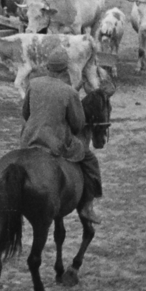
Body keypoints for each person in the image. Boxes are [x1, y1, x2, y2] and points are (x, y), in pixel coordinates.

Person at [18, 47, 104, 225]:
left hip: (29, 139)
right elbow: (78, 124)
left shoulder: (33, 84)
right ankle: (87, 207)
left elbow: (25, 114)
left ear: (48, 67)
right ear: (65, 70)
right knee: (90, 160)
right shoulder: (69, 92)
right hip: (56, 143)